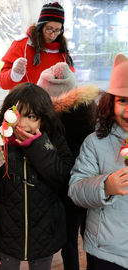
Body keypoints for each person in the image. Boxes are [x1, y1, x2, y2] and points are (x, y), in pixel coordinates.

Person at [0, 82, 73, 270]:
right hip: (8, 231)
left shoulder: (54, 140)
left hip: (45, 230)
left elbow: (64, 178)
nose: (22, 123)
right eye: (18, 115)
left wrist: (39, 146)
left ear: (43, 119)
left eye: (31, 116)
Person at [68, 53, 128, 269]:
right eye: (123, 100)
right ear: (111, 103)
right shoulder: (95, 143)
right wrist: (106, 186)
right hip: (106, 251)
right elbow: (76, 190)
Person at [38, 62, 99, 270]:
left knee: (69, 240)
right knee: (90, 237)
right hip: (92, 185)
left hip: (65, 188)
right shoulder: (91, 111)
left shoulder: (48, 120)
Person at [0, 2, 74, 91]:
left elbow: (71, 82)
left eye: (57, 30)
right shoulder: (22, 44)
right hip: (21, 103)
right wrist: (14, 73)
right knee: (13, 106)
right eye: (49, 29)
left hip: (51, 104)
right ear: (41, 26)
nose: (52, 35)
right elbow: (2, 83)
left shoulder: (62, 49)